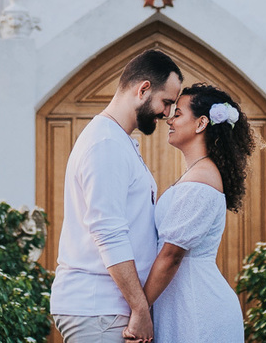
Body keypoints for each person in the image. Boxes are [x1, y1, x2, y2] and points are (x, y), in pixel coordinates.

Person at [51, 49, 184, 343]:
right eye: (167, 102)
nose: (167, 113)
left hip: (107, 308)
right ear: (143, 89)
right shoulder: (105, 144)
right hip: (99, 307)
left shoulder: (117, 140)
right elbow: (108, 232)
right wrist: (140, 308)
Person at [141, 83, 256, 343]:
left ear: (201, 123)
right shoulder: (198, 174)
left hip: (197, 310)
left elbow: (171, 255)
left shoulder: (201, 180)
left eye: (178, 114)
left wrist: (139, 309)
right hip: (182, 304)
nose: (169, 119)